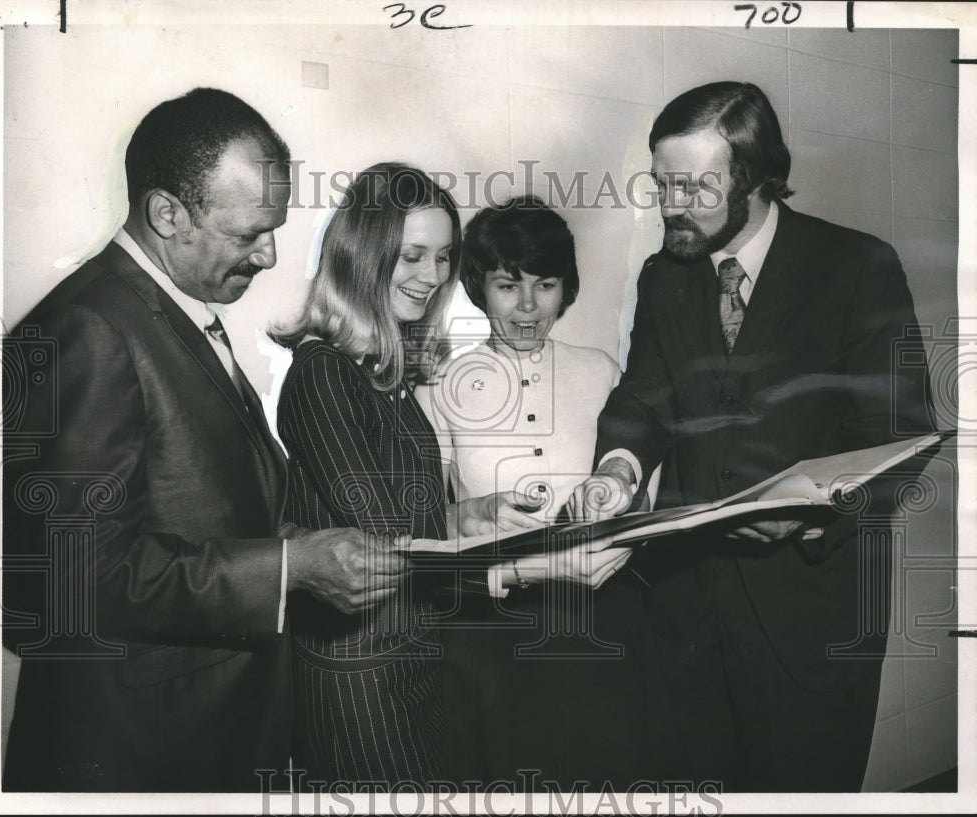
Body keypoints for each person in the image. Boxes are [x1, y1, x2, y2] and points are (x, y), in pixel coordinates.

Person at [1, 88, 402, 792]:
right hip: (137, 759)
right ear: (166, 214)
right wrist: (288, 568)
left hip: (200, 739)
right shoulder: (89, 329)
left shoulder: (167, 315)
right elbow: (72, 579)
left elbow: (224, 511)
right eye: (249, 233)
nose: (271, 254)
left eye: (272, 229)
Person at [568, 81, 934, 792]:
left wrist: (807, 514)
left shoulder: (859, 266)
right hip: (686, 619)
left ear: (755, 177)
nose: (671, 204)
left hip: (812, 615)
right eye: (662, 183)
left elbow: (902, 436)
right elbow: (645, 396)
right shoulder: (663, 276)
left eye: (695, 186)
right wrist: (614, 470)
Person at [272, 167, 629, 787]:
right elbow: (388, 554)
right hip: (362, 673)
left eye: (441, 257)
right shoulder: (324, 371)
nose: (432, 275)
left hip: (408, 656)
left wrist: (470, 513)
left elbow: (406, 517)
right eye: (412, 255)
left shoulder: (378, 374)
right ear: (363, 251)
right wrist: (543, 565)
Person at [415, 195, 647, 789]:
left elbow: (640, 501)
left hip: (599, 621)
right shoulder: (439, 385)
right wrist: (472, 516)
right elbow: (420, 526)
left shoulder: (601, 371)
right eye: (506, 285)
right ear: (478, 288)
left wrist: (617, 511)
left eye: (545, 285)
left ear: (565, 289)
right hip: (491, 632)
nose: (526, 306)